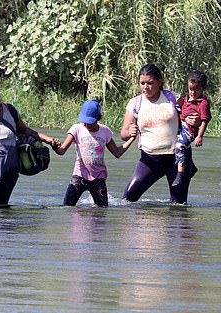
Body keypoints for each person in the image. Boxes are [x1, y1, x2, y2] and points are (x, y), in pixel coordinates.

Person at [120, 63, 200, 204]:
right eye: (142, 83)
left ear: (159, 82)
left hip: (177, 159)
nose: (146, 87)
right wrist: (129, 132)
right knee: (127, 199)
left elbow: (192, 114)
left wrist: (195, 120)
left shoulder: (172, 97)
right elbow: (124, 133)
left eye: (150, 83)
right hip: (150, 160)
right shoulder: (135, 103)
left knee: (179, 205)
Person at [52, 99, 136, 207]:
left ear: (98, 119)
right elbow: (62, 150)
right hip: (79, 176)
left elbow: (117, 152)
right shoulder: (76, 129)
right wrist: (55, 147)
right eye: (85, 121)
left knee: (102, 210)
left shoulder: (105, 131)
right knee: (67, 207)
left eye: (90, 122)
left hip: (98, 178)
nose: (87, 125)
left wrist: (131, 139)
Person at [172, 70, 211, 187]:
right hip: (181, 127)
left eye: (196, 90)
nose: (193, 92)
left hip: (190, 130)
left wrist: (199, 136)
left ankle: (180, 173)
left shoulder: (203, 103)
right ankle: (191, 167)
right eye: (191, 89)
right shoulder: (186, 98)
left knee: (179, 146)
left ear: (203, 89)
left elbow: (205, 120)